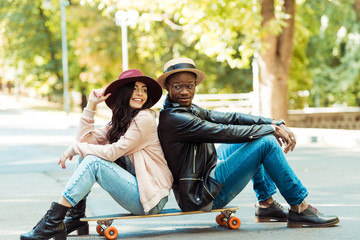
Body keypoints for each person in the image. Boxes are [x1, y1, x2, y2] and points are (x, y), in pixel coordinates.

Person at [156, 57, 339, 228]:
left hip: (207, 171)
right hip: (200, 194)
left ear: (195, 85)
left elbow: (231, 118)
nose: (185, 92)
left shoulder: (188, 109)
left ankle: (266, 204)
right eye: (178, 86)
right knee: (265, 142)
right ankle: (299, 206)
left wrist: (271, 122)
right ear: (167, 87)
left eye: (189, 86)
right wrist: (270, 130)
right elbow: (224, 132)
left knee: (256, 137)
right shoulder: (174, 118)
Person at [20, 69, 173, 240]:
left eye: (144, 89)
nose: (140, 94)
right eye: (135, 88)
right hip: (137, 189)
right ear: (124, 92)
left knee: (92, 160)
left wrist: (76, 147)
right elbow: (84, 141)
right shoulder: (120, 121)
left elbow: (113, 151)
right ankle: (74, 217)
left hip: (151, 198)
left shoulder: (144, 118)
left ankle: (51, 223)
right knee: (86, 154)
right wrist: (91, 105)